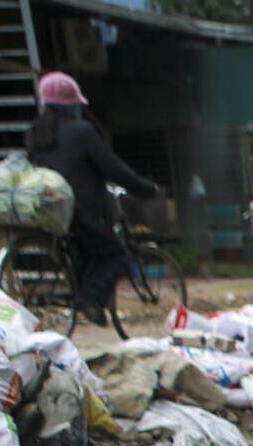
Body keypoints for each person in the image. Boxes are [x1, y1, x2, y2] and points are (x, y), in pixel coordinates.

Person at [24, 72, 159, 325]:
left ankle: (87, 301)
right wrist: (144, 188)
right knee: (117, 255)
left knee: (88, 253)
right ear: (71, 105)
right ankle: (88, 299)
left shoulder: (36, 133)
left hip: (51, 213)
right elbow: (112, 167)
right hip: (84, 213)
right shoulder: (81, 132)